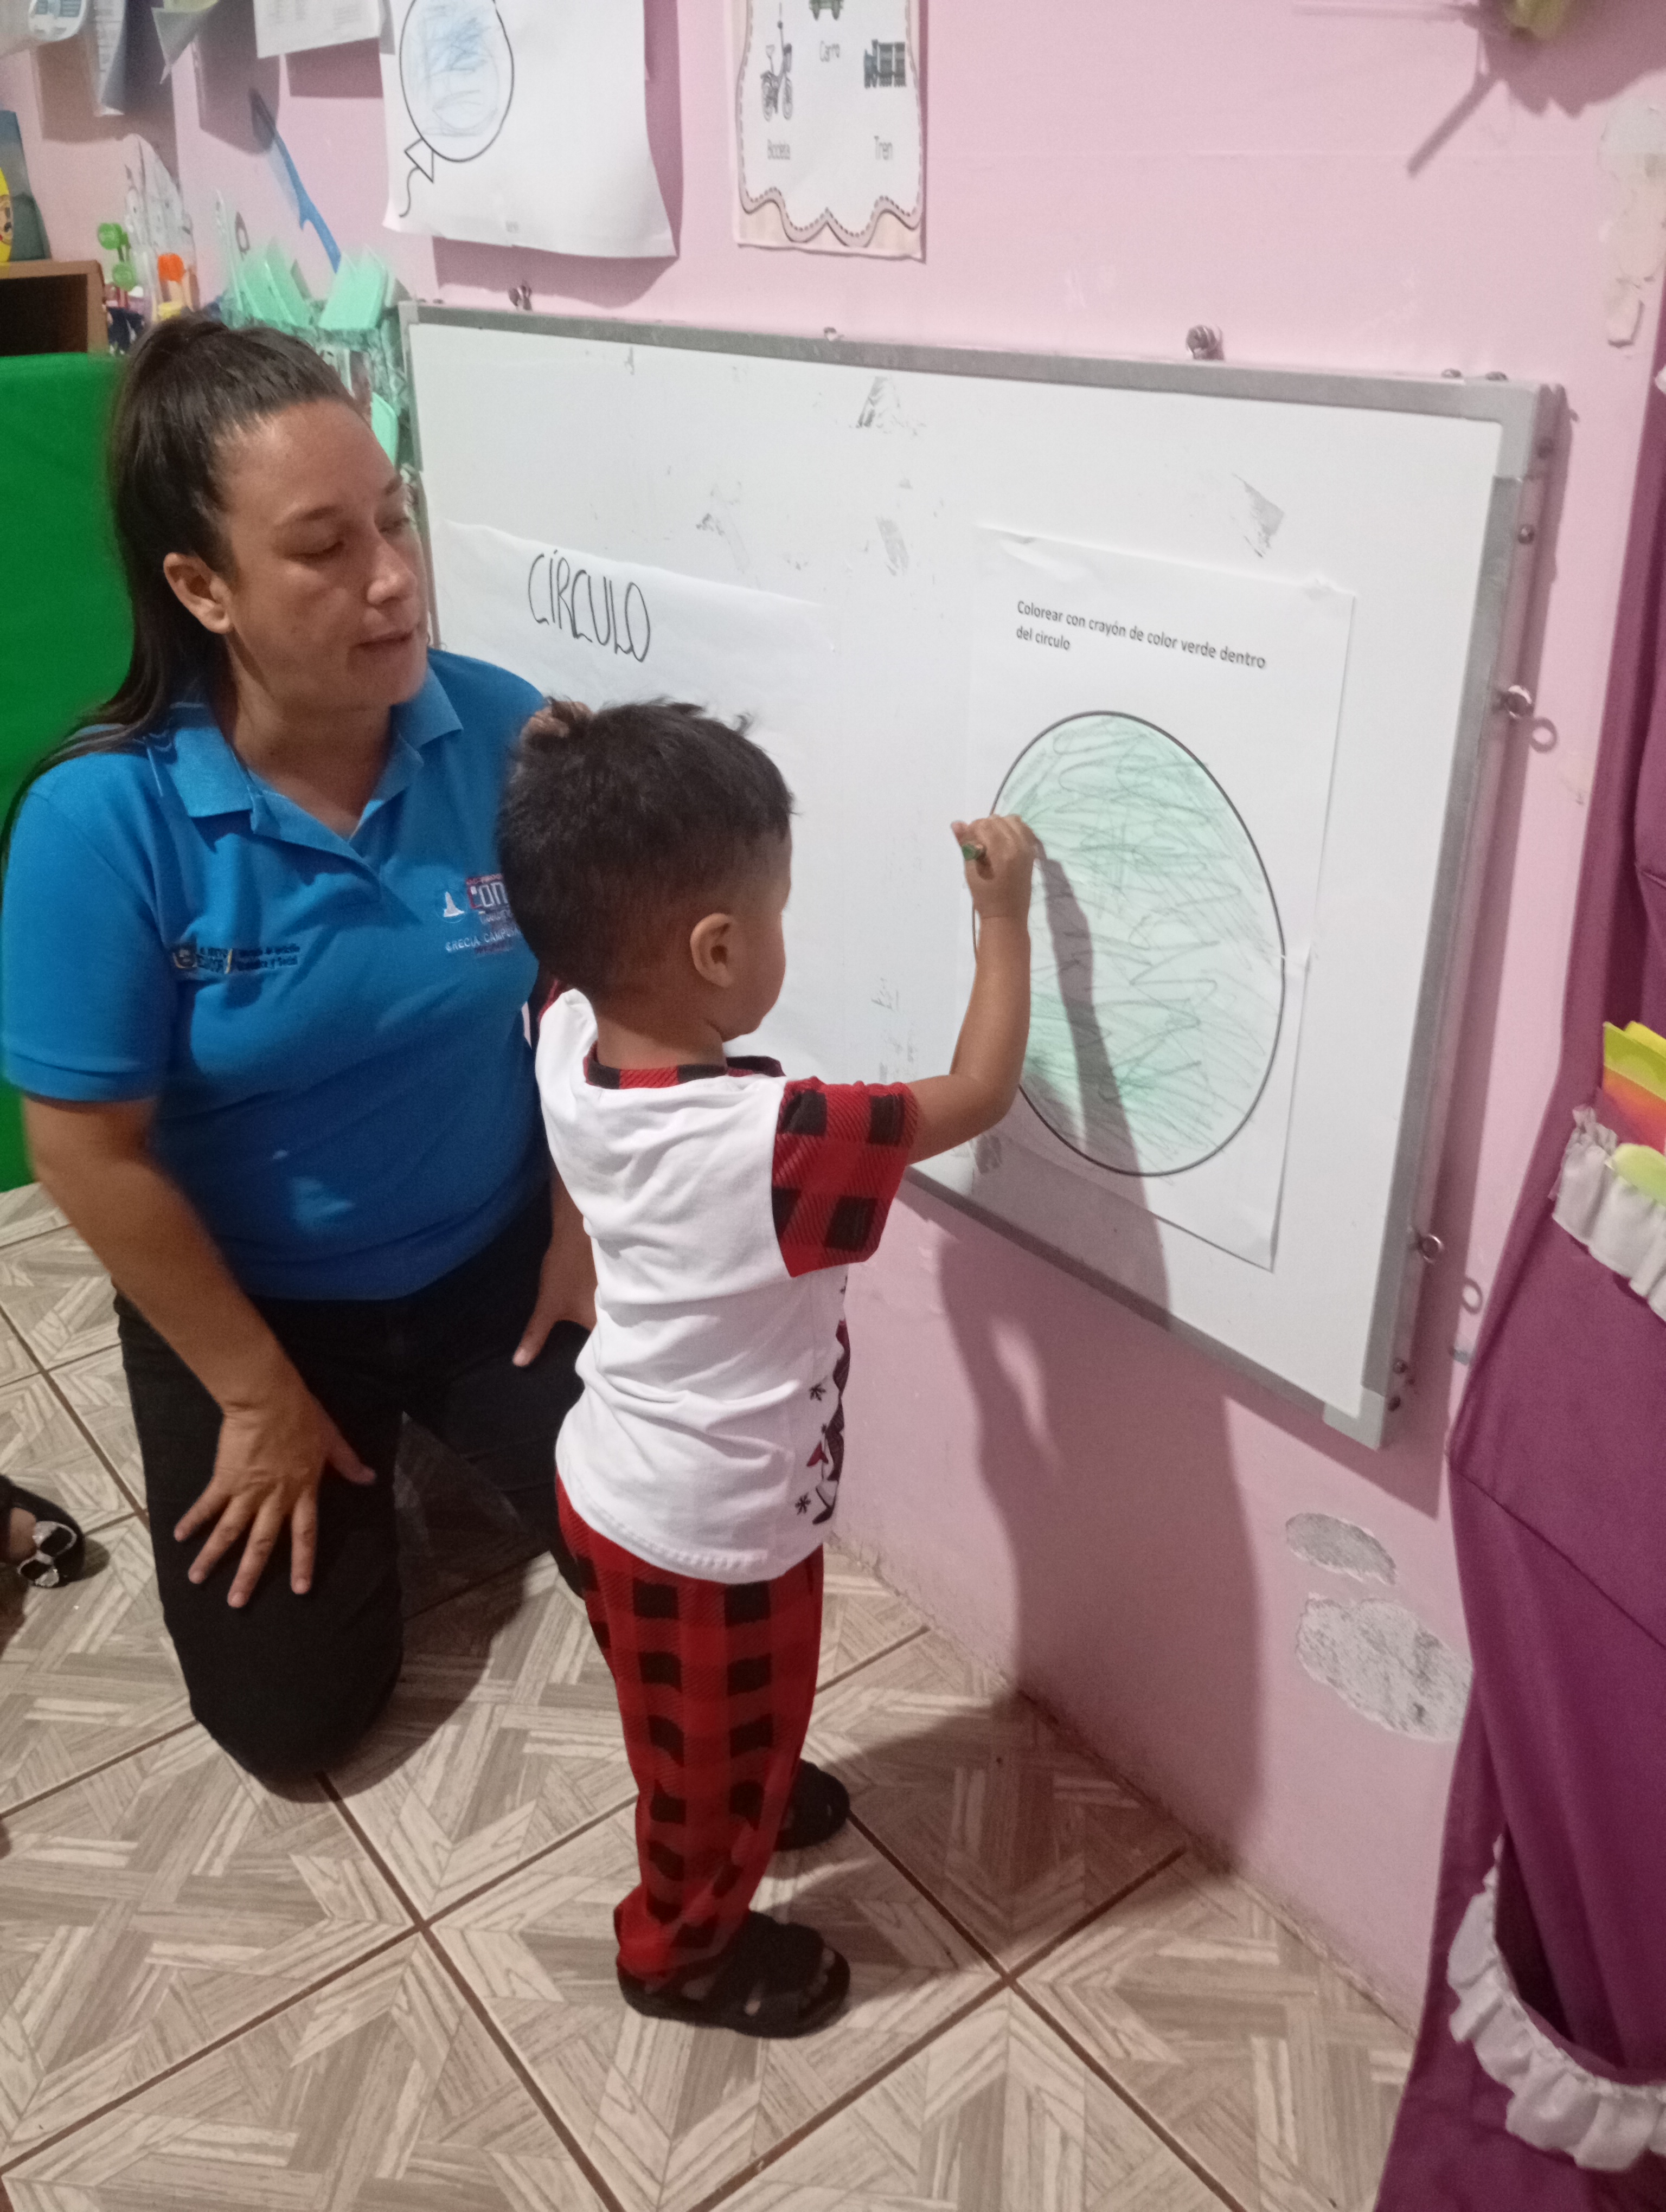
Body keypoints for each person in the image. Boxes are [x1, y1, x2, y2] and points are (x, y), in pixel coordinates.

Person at [0, 315, 594, 1777]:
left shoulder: (503, 730)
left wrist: (582, 1225)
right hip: (258, 1299)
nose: (391, 577)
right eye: (323, 547)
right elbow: (84, 1149)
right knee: (294, 1724)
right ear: (201, 586)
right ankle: (343, 1428)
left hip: (496, 1259)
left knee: (662, 1542)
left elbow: (594, 986)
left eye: (393, 518)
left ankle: (432, 1418)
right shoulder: (102, 822)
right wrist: (257, 1394)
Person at [498, 698, 1037, 2036]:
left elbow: (559, 954)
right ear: (720, 949)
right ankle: (678, 1955)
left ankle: (753, 1776)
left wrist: (564, 774)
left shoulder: (568, 1032)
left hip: (612, 1483)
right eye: (780, 912)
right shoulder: (775, 1141)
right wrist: (1005, 918)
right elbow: (978, 1092)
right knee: (699, 1778)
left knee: (693, 1717)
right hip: (711, 1534)